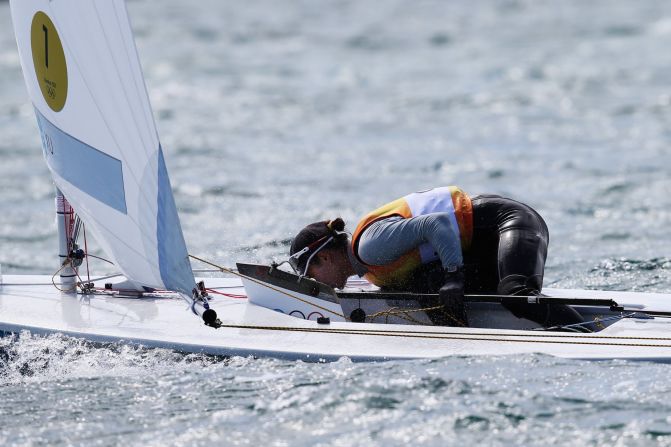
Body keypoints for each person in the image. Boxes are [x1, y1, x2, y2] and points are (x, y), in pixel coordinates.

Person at [288, 186, 583, 328]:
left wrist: (455, 275)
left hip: (505, 223)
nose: (316, 282)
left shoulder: (369, 248)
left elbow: (436, 224)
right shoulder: (370, 270)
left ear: (325, 258)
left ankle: (590, 333)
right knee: (426, 282)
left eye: (311, 275)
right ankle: (460, 337)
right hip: (480, 243)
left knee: (515, 294)